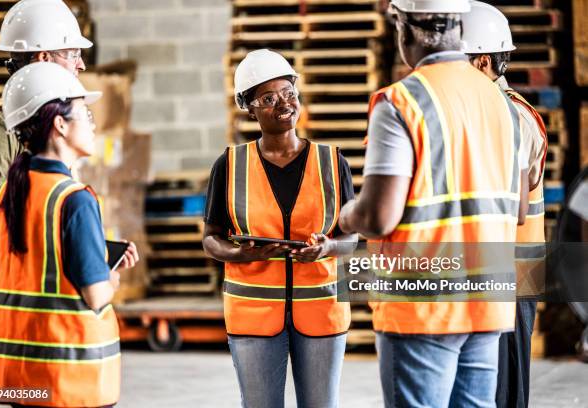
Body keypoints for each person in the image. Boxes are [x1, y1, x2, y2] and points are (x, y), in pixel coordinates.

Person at [338, 0, 530, 406]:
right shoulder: (504, 105)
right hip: (486, 299)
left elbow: (377, 216)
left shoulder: (401, 102)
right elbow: (517, 212)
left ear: (404, 27)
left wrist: (345, 216)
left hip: (422, 304)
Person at [202, 49, 358, 408]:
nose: (283, 104)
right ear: (249, 107)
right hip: (253, 315)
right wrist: (239, 253)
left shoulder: (333, 162)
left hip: (322, 310)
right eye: (269, 98)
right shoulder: (229, 165)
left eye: (289, 93)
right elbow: (211, 238)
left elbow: (351, 237)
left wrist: (327, 248)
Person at [0, 62, 138, 407]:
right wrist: (111, 276)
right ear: (60, 124)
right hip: (65, 378)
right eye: (86, 114)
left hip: (15, 378)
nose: (93, 125)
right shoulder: (74, 199)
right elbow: (96, 295)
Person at [461, 2, 548, 407]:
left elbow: (505, 207)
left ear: (480, 62)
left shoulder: (507, 117)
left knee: (502, 393)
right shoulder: (480, 112)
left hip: (507, 277)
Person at [0, 0, 92, 294]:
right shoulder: (2, 130)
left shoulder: (43, 133)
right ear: (43, 58)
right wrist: (27, 275)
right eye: (73, 54)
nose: (81, 64)